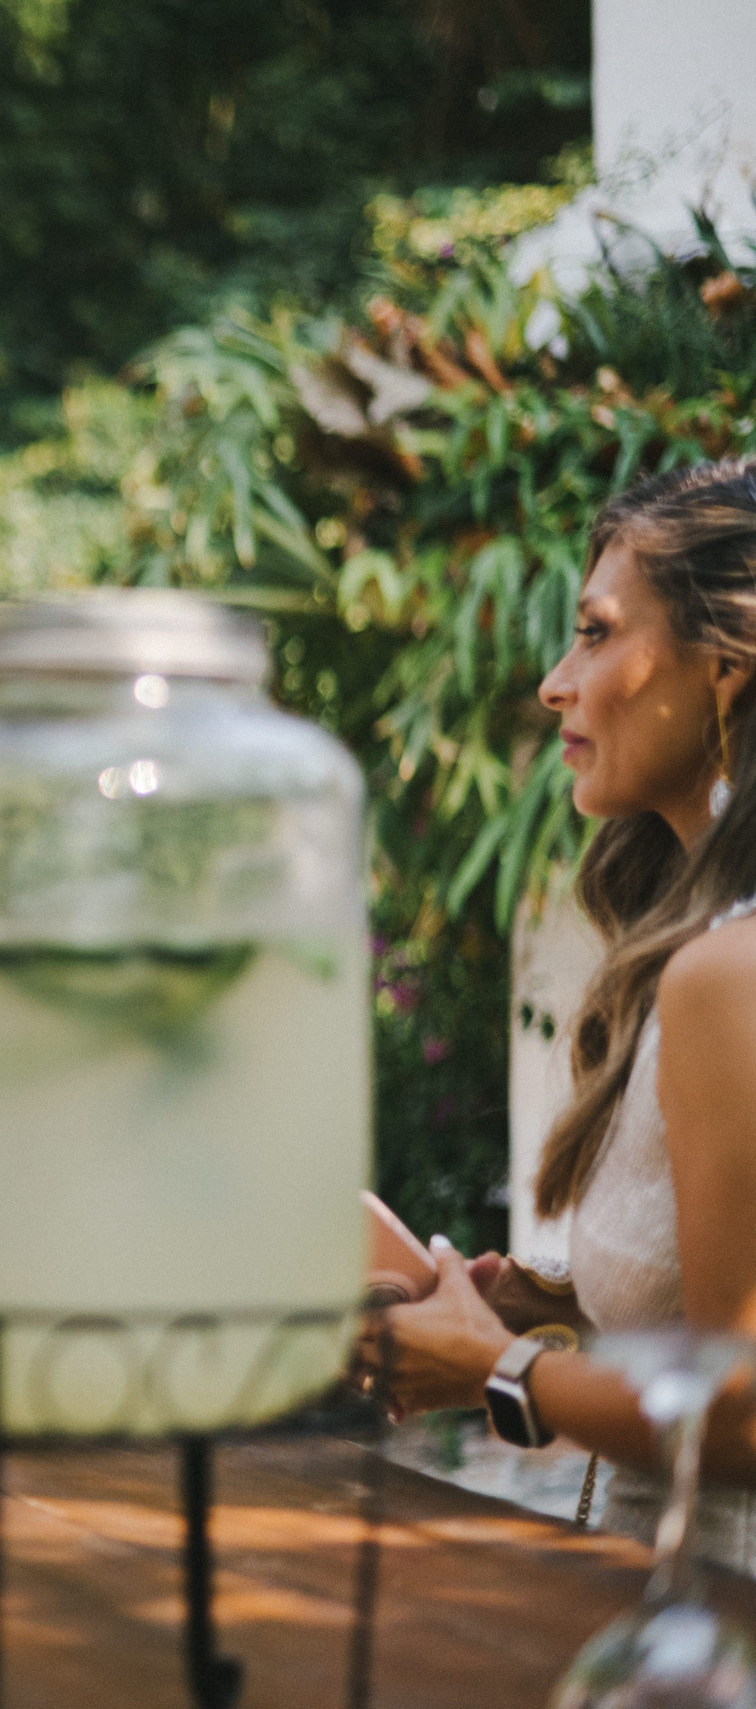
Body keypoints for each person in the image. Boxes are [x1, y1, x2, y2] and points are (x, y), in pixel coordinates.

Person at [380, 456, 756, 1566]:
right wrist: (563, 1310)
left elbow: (741, 1414)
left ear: (726, 664)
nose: (553, 682)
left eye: (594, 634)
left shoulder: (724, 976)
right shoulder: (707, 952)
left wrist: (493, 1372)